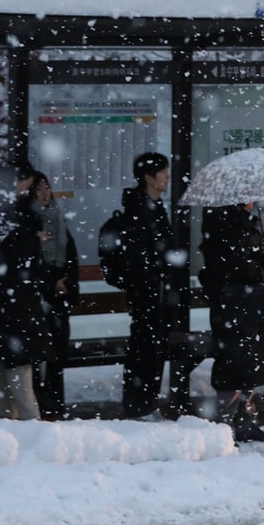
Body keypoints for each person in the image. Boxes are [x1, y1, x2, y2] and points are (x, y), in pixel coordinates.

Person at [200, 202, 264, 443]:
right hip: (237, 308)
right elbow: (239, 268)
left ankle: (242, 421)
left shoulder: (236, 223)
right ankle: (228, 424)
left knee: (247, 364)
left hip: (243, 307)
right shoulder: (228, 226)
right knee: (236, 365)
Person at [0, 169, 57, 420]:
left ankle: (4, 422)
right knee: (16, 370)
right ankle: (26, 422)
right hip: (14, 304)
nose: (30, 191)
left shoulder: (5, 213)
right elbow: (11, 255)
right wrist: (34, 241)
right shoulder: (14, 217)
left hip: (5, 304)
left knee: (7, 370)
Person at [118, 152, 182, 419]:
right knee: (145, 349)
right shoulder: (140, 210)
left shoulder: (153, 207)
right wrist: (154, 278)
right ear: (148, 178)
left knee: (152, 349)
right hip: (148, 294)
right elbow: (140, 257)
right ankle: (140, 404)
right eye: (163, 173)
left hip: (156, 293)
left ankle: (145, 402)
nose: (168, 178)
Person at [27, 172, 80, 419]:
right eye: (38, 189)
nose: (45, 193)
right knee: (40, 354)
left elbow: (71, 254)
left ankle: (55, 403)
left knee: (57, 353)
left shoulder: (57, 217)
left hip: (60, 295)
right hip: (40, 297)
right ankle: (40, 402)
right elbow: (29, 263)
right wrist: (51, 282)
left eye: (47, 187)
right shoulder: (29, 221)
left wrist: (67, 282)